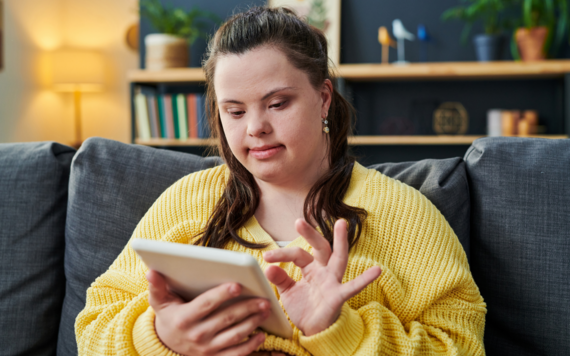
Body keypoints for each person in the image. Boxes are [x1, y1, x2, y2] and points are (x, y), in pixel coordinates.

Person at [75, 6, 486, 356]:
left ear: (323, 97)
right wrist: (160, 335)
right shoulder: (185, 203)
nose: (256, 128)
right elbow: (91, 329)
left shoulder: (402, 213)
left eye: (277, 104)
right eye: (234, 112)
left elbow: (463, 343)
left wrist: (342, 331)